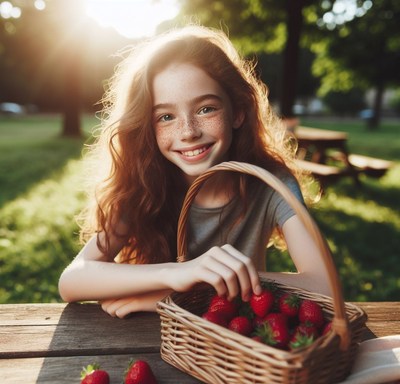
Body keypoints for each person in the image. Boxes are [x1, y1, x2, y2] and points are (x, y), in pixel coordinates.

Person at [58, 25, 333, 318]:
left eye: (206, 109)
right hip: (151, 339)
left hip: (235, 344)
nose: (187, 132)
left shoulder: (273, 183)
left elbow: (325, 285)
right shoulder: (144, 183)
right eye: (165, 117)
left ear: (237, 111)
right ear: (147, 127)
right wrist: (178, 274)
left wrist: (175, 294)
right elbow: (72, 280)